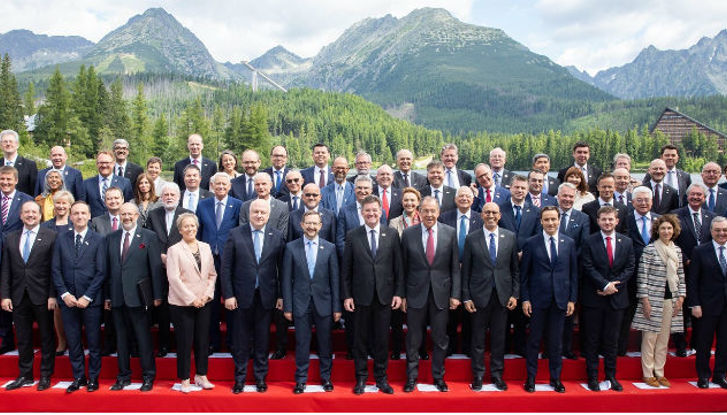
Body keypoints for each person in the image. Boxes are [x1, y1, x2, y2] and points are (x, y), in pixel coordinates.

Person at [221, 199, 286, 394]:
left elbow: (282, 269)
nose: (259, 215)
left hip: (266, 296)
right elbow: (226, 268)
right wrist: (229, 294)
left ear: (268, 215)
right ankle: (239, 379)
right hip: (241, 297)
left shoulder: (277, 235)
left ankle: (260, 378)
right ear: (249, 213)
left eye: (262, 213)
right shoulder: (235, 234)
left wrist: (281, 296)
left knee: (262, 339)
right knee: (241, 340)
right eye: (255, 212)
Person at [341, 195, 403, 395]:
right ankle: (360, 379)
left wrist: (398, 293)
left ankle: (381, 378)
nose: (371, 214)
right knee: (360, 340)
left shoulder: (391, 234)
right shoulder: (352, 235)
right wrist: (347, 295)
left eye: (375, 210)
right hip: (360, 297)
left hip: (385, 297)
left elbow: (398, 268)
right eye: (367, 210)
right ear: (362, 212)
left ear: (381, 212)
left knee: (381, 340)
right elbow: (346, 270)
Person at [401, 196, 460, 393]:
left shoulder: (450, 233)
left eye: (432, 211)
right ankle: (411, 378)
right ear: (419, 211)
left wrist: (455, 294)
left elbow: (455, 268)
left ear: (438, 212)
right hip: (415, 293)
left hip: (441, 294)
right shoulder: (409, 234)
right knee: (413, 339)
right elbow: (402, 268)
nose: (429, 214)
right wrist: (402, 296)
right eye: (425, 210)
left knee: (440, 338)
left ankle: (438, 377)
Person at [1, 201, 58, 391]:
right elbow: (6, 270)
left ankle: (45, 375)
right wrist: (5, 295)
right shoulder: (11, 238)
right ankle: (25, 375)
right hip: (18, 296)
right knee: (24, 338)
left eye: (34, 212)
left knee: (47, 337)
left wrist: (52, 295)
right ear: (20, 215)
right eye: (26, 212)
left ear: (40, 215)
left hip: (42, 296)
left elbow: (54, 270)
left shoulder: (51, 236)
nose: (30, 215)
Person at [105, 203, 162, 392]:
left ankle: (148, 376)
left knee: (143, 338)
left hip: (140, 297)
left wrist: (157, 295)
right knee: (121, 340)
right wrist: (107, 296)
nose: (126, 217)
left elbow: (155, 267)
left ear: (137, 215)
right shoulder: (111, 238)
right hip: (117, 297)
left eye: (130, 214)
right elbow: (107, 270)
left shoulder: (149, 237)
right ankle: (123, 376)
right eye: (123, 214)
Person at [462, 202, 519, 391]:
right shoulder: (472, 238)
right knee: (477, 339)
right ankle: (478, 375)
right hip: (478, 297)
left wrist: (515, 294)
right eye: (487, 212)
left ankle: (497, 375)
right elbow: (466, 272)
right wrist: (466, 297)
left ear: (500, 215)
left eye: (494, 212)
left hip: (502, 296)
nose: (491, 215)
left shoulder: (510, 237)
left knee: (498, 339)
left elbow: (515, 270)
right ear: (481, 215)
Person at [281, 210, 340, 394]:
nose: (312, 227)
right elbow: (286, 279)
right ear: (302, 225)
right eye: (308, 223)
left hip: (324, 303)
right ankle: (300, 380)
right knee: (302, 343)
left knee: (325, 343)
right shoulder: (291, 247)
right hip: (300, 303)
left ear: (321, 226)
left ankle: (326, 378)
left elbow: (335, 280)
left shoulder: (330, 247)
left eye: (315, 224)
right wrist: (288, 306)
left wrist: (336, 307)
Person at [520, 206, 577, 393]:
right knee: (534, 341)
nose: (550, 223)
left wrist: (572, 299)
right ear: (541, 221)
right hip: (537, 300)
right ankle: (530, 379)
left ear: (559, 220)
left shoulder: (568, 242)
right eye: (547, 219)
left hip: (560, 300)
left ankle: (556, 379)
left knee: (555, 342)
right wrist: (525, 299)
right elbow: (524, 275)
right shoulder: (531, 243)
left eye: (553, 219)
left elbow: (573, 274)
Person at [51, 201, 106, 393]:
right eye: (76, 213)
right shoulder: (61, 239)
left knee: (93, 342)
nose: (80, 216)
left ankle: (93, 378)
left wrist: (87, 296)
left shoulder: (99, 240)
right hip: (68, 301)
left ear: (89, 216)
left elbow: (101, 272)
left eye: (83, 213)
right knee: (73, 342)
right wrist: (64, 294)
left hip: (90, 301)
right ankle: (79, 377)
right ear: (71, 216)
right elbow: (55, 269)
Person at [580, 206, 635, 392]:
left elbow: (629, 267)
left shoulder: (626, 242)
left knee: (612, 340)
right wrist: (604, 285)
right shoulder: (589, 241)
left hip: (617, 299)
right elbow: (587, 266)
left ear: (617, 221)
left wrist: (613, 287)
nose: (607, 222)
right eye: (604, 219)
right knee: (592, 340)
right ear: (598, 221)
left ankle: (611, 376)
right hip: (594, 298)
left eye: (611, 219)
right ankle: (593, 377)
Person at [632, 214, 686, 387]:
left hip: (671, 299)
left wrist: (682, 297)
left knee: (664, 339)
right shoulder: (649, 250)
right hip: (653, 299)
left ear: (674, 230)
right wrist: (645, 300)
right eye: (663, 228)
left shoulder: (677, 250)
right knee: (650, 338)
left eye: (669, 228)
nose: (666, 231)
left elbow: (681, 276)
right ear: (657, 230)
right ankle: (648, 373)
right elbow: (642, 277)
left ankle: (660, 372)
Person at [240, 173, 289, 359]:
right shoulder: (246, 206)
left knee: (277, 311)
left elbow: (282, 234)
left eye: (264, 184)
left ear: (271, 185)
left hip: (274, 261)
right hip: (251, 264)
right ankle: (253, 348)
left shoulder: (282, 206)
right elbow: (243, 232)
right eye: (257, 184)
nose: (261, 187)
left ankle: (280, 347)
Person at [166, 213, 217, 393]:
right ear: (180, 230)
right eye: (186, 226)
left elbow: (212, 274)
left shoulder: (205, 247)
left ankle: (201, 375)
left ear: (197, 227)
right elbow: (174, 278)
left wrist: (206, 296)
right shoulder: (174, 250)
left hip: (203, 302)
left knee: (203, 341)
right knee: (185, 342)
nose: (190, 229)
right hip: (182, 304)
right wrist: (191, 299)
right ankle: (185, 378)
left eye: (193, 226)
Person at [196, 172, 242, 355]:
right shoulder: (203, 205)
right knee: (211, 304)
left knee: (231, 303)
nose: (221, 187)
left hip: (230, 261)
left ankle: (232, 341)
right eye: (217, 184)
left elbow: (239, 232)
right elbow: (199, 233)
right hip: (208, 261)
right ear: (212, 186)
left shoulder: (237, 205)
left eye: (224, 184)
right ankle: (213, 342)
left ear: (229, 186)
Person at [145, 182, 191, 358]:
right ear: (161, 197)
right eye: (166, 195)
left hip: (182, 269)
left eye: (173, 194)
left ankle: (182, 346)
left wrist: (173, 257)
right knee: (163, 310)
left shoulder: (187, 215)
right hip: (159, 268)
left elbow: (191, 239)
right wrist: (160, 256)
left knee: (180, 309)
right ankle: (163, 345)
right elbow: (149, 240)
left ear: (178, 197)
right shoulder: (153, 215)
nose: (169, 197)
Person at [438, 186, 482, 356]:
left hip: (474, 271)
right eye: (461, 196)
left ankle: (467, 346)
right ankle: (449, 346)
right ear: (455, 199)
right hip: (450, 270)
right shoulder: (444, 217)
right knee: (452, 309)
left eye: (468, 196)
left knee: (470, 310)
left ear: (472, 200)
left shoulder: (480, 218)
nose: (464, 198)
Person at [673, 183, 714, 356]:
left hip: (704, 272)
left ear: (704, 198)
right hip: (682, 268)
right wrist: (685, 259)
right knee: (681, 308)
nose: (696, 197)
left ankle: (697, 344)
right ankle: (681, 346)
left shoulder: (712, 217)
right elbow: (671, 241)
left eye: (700, 195)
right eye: (693, 194)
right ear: (687, 196)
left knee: (701, 307)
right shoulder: (676, 215)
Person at [687, 216, 727, 389]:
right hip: (706, 307)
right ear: (711, 232)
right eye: (718, 230)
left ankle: (719, 375)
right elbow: (693, 280)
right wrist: (694, 304)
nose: (722, 233)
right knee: (703, 343)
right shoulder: (700, 251)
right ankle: (703, 376)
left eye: (725, 230)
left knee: (725, 343)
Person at [619, 186, 659, 356]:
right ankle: (621, 349)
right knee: (627, 313)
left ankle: (649, 351)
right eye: (639, 200)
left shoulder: (660, 221)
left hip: (654, 276)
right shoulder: (623, 220)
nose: (643, 203)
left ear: (652, 201)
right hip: (630, 274)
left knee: (652, 313)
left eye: (646, 200)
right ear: (632, 202)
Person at [0, 166, 34, 353]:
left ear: (16, 180)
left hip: (18, 257)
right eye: (2, 179)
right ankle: (5, 339)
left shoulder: (26, 201)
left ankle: (15, 338)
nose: (5, 183)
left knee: (16, 298)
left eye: (8, 179)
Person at [555, 183, 590, 359]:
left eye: (571, 196)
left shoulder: (583, 218)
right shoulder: (549, 215)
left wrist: (566, 261)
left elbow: (583, 245)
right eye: (564, 196)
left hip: (571, 271)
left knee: (568, 312)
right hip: (550, 270)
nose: (567, 199)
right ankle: (550, 349)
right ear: (558, 196)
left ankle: (567, 349)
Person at [41, 190, 74, 356]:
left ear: (70, 205)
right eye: (58, 203)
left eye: (64, 203)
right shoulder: (46, 226)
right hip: (53, 272)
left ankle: (75, 340)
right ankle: (61, 340)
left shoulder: (76, 223)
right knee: (58, 309)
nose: (61, 206)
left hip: (73, 272)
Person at [81, 151, 133, 218]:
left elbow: (128, 206)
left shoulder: (125, 183)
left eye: (107, 162)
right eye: (101, 163)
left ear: (114, 163)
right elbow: (83, 207)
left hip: (118, 225)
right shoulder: (86, 184)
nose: (104, 165)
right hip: (94, 225)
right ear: (97, 164)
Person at [0, 129, 37, 196]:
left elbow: (34, 190)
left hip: (23, 205)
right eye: (5, 142)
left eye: (11, 141)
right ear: (1, 145)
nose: (8, 144)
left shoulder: (30, 165)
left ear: (17, 144)